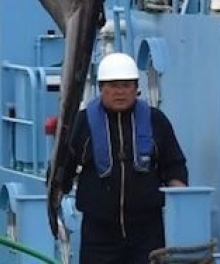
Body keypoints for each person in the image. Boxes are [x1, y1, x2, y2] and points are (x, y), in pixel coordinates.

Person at [60, 51, 189, 263]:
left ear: (136, 88)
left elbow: (174, 165)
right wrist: (57, 188)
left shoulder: (156, 121)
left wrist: (181, 203)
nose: (120, 92)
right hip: (99, 236)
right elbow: (63, 166)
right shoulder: (82, 124)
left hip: (148, 235)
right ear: (101, 88)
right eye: (113, 86)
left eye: (126, 85)